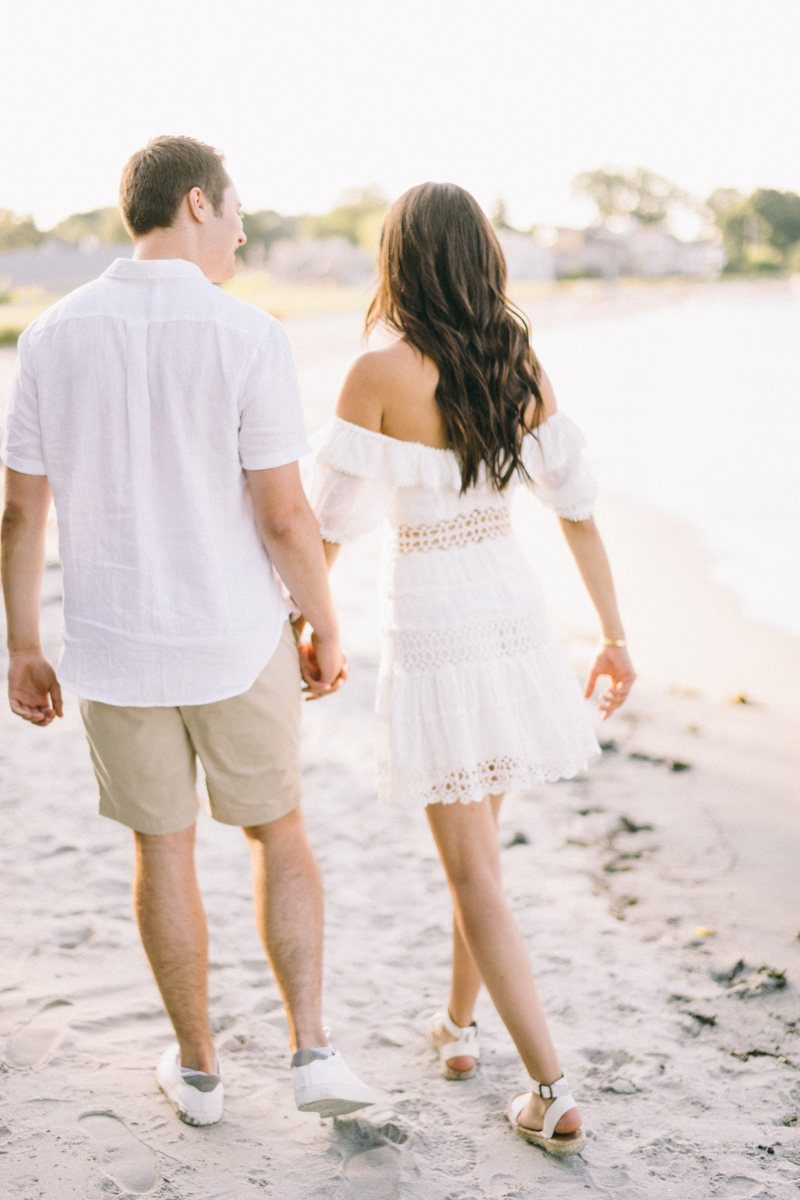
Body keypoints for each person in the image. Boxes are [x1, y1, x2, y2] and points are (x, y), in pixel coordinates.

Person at [0, 136, 374, 1127]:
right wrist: (325, 623)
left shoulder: (51, 334)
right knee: (276, 831)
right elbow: (285, 516)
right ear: (197, 204)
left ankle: (200, 1072)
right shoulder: (246, 334)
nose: (244, 232)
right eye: (237, 212)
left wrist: (22, 644)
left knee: (160, 851)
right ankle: (310, 1052)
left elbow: (21, 512)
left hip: (115, 648)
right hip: (233, 636)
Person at [307, 182, 635, 1156]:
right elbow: (574, 507)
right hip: (510, 613)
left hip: (438, 625)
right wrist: (612, 633)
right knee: (478, 854)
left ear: (396, 262)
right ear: (480, 258)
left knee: (471, 867)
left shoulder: (376, 370)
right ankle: (457, 1030)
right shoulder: (513, 358)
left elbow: (323, 527)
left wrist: (304, 627)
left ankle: (551, 1087)